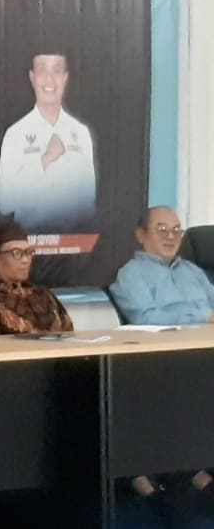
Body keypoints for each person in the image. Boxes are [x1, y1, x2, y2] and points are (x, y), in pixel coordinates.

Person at [109, 206, 214, 527]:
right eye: (162, 230)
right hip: (164, 365)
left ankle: (200, 473)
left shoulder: (193, 272)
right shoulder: (132, 274)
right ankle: (188, 476)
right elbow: (145, 318)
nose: (171, 237)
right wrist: (202, 318)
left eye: (177, 230)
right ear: (141, 235)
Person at [0, 52, 96, 232]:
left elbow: (87, 205)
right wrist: (44, 160)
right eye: (42, 70)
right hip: (29, 241)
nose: (49, 79)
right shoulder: (15, 133)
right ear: (32, 77)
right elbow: (4, 203)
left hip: (71, 242)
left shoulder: (81, 133)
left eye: (56, 70)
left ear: (65, 78)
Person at [0, 222, 74, 334]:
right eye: (16, 253)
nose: (26, 260)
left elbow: (68, 334)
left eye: (29, 252)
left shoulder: (45, 295)